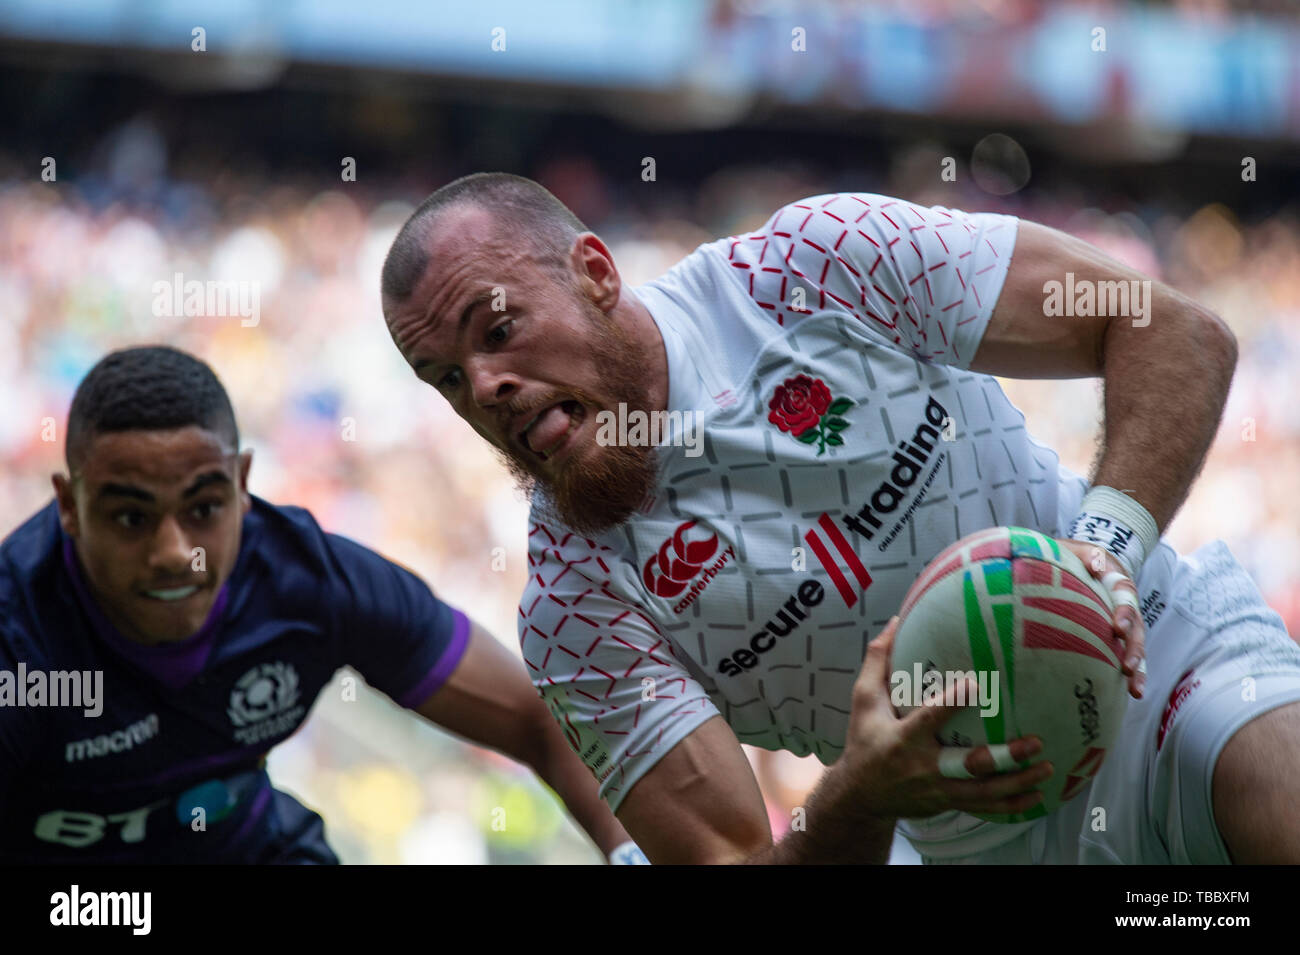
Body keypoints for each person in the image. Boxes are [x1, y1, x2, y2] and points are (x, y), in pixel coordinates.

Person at [380, 172, 1300, 864]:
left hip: (1165, 669)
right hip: (969, 838)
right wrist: (860, 795)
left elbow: (1166, 327)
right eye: (448, 380)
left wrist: (1098, 559)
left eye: (496, 332)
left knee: (1273, 783)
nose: (486, 388)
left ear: (594, 272)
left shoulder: (811, 267)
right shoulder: (572, 612)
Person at [0, 345, 635, 863]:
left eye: (204, 508)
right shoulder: (18, 646)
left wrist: (631, 854)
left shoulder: (311, 581)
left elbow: (539, 720)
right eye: (131, 516)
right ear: (67, 505)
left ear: (244, 486)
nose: (173, 552)